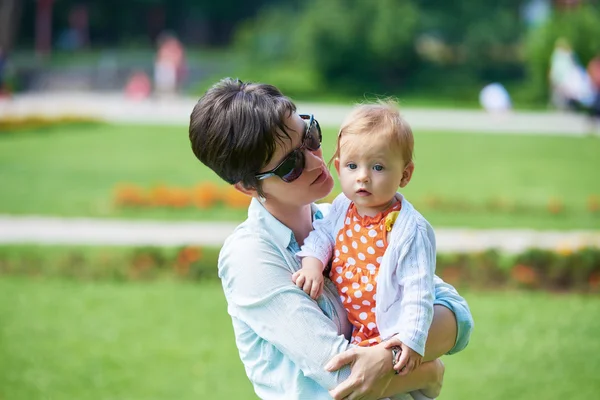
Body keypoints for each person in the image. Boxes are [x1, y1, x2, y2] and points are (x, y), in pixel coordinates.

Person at [188, 78, 474, 400]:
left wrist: (387, 357)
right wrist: (427, 371)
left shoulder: (345, 218)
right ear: (249, 187)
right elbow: (342, 375)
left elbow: (454, 314)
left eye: (310, 136)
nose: (315, 160)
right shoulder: (250, 257)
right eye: (291, 165)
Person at [293, 102, 462, 399]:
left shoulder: (409, 229)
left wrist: (410, 338)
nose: (363, 177)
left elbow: (417, 289)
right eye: (352, 166)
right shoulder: (342, 209)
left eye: (378, 167)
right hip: (359, 334)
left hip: (393, 332)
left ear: (405, 175)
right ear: (339, 167)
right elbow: (322, 237)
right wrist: (311, 265)